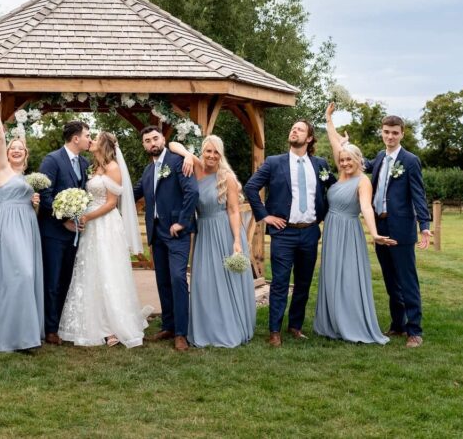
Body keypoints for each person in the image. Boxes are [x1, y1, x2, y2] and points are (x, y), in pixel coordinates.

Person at [244, 119, 335, 347]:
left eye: (300, 129)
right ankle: (274, 330)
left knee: (303, 283)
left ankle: (295, 326)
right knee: (280, 283)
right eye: (293, 128)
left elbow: (335, 188)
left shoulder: (320, 164)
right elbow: (251, 187)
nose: (294, 131)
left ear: (310, 138)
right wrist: (265, 216)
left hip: (310, 232)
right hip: (283, 233)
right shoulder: (274, 162)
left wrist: (323, 216)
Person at [314, 103, 396, 344]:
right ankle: (333, 322)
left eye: (349, 159)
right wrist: (329, 119)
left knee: (348, 278)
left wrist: (374, 233)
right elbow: (335, 143)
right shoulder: (341, 175)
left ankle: (351, 322)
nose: (345, 162)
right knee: (331, 277)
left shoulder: (363, 181)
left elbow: (366, 207)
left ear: (358, 160)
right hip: (331, 231)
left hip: (349, 232)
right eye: (342, 159)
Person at [59, 132, 149, 348]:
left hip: (106, 224)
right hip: (90, 226)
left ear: (105, 145)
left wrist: (87, 216)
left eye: (95, 139)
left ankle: (112, 327)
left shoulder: (113, 168)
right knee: (90, 270)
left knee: (108, 271)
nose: (91, 141)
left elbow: (110, 203)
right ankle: (90, 323)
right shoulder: (93, 167)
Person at [171, 136, 255, 348]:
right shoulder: (195, 167)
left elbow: (234, 210)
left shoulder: (226, 177)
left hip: (225, 232)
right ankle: (208, 327)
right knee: (206, 282)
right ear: (202, 151)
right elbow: (171, 144)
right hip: (204, 233)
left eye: (216, 152)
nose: (211, 156)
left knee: (226, 282)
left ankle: (231, 326)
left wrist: (237, 240)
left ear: (221, 154)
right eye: (208, 151)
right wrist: (187, 155)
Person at [362, 114, 432, 348]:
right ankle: (398, 324)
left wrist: (424, 226)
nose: (390, 136)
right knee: (391, 280)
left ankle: (415, 330)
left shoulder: (410, 161)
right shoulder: (380, 157)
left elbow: (418, 195)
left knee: (406, 280)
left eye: (394, 132)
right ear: (381, 133)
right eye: (386, 132)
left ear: (402, 134)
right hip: (380, 227)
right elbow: (361, 165)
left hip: (401, 228)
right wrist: (343, 144)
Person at [0, 88, 44, 352]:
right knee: (18, 274)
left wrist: (37, 204)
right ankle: (12, 335)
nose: (16, 151)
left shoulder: (32, 179)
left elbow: (36, 210)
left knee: (27, 277)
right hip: (8, 225)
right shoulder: (3, 169)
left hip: (28, 226)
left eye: (21, 149)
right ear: (7, 153)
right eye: (13, 148)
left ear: (26, 154)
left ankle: (26, 336)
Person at [133, 125, 198, 351]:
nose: (152, 143)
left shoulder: (179, 161)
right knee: (162, 281)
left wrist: (182, 221)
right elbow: (135, 193)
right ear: (144, 146)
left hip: (176, 232)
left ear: (163, 139)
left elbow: (192, 192)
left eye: (155, 138)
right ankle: (168, 325)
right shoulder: (147, 171)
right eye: (147, 140)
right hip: (156, 233)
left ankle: (182, 332)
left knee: (178, 279)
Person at [36, 119, 91, 345]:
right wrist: (65, 220)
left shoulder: (85, 162)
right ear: (76, 138)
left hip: (75, 234)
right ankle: (49, 329)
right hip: (53, 233)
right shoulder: (52, 160)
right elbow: (45, 195)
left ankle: (60, 324)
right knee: (52, 281)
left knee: (68, 279)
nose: (90, 139)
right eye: (87, 135)